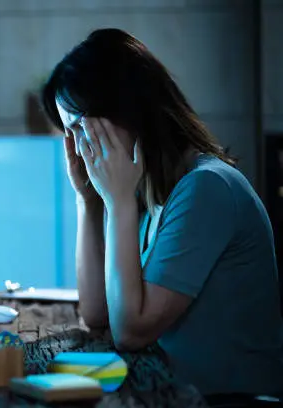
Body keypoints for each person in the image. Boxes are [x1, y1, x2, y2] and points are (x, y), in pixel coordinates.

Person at [41, 28, 283, 397]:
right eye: (70, 135)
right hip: (174, 389)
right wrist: (87, 199)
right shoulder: (151, 192)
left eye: (83, 129)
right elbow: (97, 314)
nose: (79, 149)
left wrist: (118, 202)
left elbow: (131, 332)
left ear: (126, 110)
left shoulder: (206, 188)